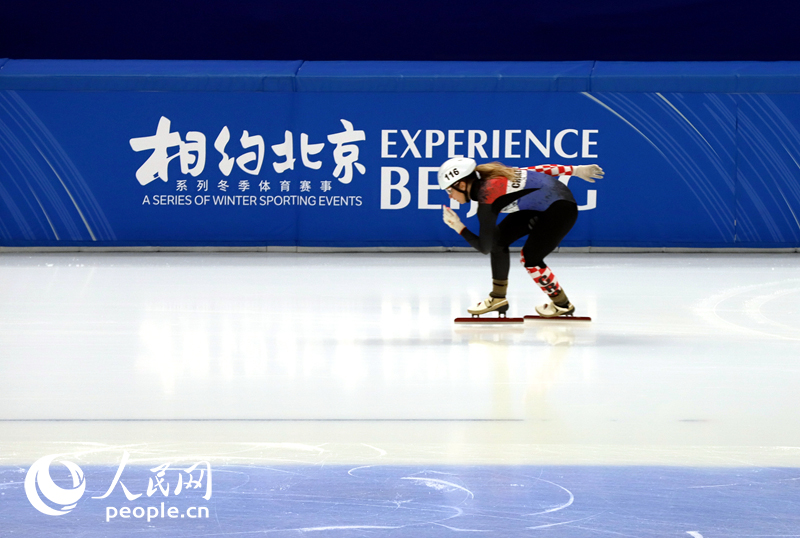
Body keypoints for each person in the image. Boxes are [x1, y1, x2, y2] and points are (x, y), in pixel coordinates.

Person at [439, 158, 603, 318]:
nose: (450, 196)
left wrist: (458, 226)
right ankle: (497, 298)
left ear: (461, 184)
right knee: (498, 242)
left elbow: (484, 247)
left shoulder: (487, 196)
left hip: (561, 209)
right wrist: (575, 170)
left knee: (531, 258)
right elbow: (537, 171)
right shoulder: (491, 176)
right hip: (540, 205)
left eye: (449, 190)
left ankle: (562, 305)